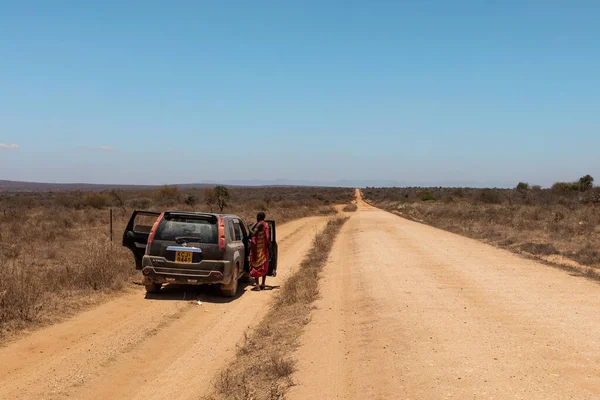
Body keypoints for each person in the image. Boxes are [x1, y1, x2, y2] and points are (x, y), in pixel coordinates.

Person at [249, 212, 270, 290]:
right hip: (264, 249)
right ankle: (263, 284)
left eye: (257, 216)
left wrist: (249, 228)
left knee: (256, 265)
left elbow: (253, 234)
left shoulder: (259, 224)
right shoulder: (266, 225)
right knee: (264, 266)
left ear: (259, 217)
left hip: (258, 249)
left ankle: (257, 285)